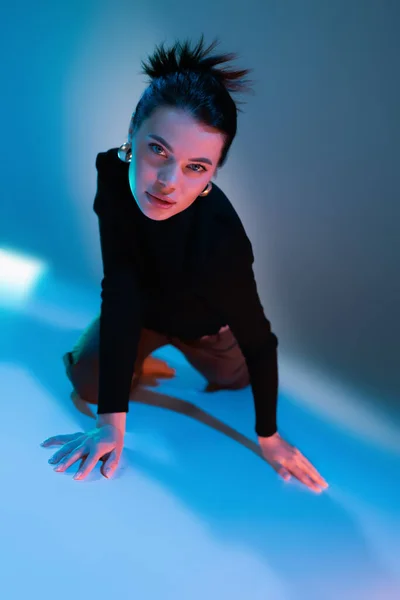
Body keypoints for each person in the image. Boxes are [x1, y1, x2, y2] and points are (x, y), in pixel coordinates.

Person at [41, 35, 328, 493]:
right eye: (158, 150)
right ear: (131, 137)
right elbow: (119, 287)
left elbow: (259, 339)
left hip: (207, 329)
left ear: (213, 173)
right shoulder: (111, 173)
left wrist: (269, 438)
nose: (169, 183)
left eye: (196, 167)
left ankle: (168, 358)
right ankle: (141, 359)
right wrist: (112, 425)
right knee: (87, 383)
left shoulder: (221, 237)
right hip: (143, 313)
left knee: (234, 382)